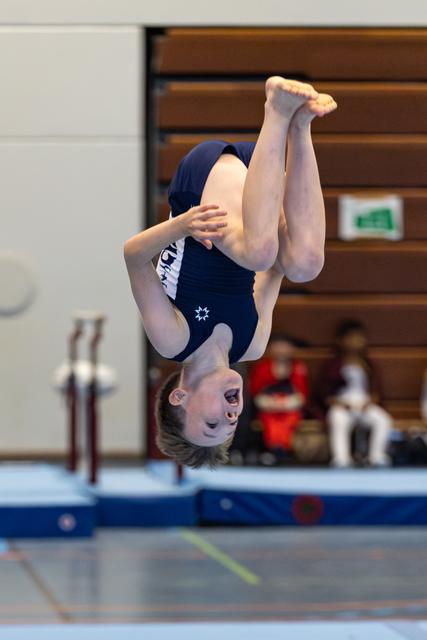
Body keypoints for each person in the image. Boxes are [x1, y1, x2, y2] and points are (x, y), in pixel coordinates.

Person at [124, 76, 337, 468]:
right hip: (256, 177)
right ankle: (300, 126)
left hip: (200, 188)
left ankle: (277, 108)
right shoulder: (251, 345)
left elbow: (134, 255)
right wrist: (283, 200)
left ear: (179, 397)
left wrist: (181, 225)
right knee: (304, 265)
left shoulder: (173, 340)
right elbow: (277, 270)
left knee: (257, 252)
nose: (230, 417)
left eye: (211, 423)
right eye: (231, 426)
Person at [313, 319, 392, 468]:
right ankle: (341, 458)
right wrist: (337, 402)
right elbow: (323, 392)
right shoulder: (332, 364)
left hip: (364, 403)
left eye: (359, 338)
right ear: (341, 340)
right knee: (338, 420)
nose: (355, 341)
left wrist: (371, 402)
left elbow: (376, 390)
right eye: (351, 337)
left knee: (382, 420)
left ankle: (377, 455)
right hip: (341, 404)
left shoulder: (369, 364)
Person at [249, 334, 309, 464]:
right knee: (270, 422)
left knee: (288, 421)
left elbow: (302, 392)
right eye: (278, 345)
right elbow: (255, 390)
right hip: (268, 407)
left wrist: (287, 403)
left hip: (290, 407)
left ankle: (282, 449)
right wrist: (268, 402)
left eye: (285, 346)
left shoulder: (298, 367)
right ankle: (274, 449)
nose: (281, 349)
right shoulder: (262, 368)